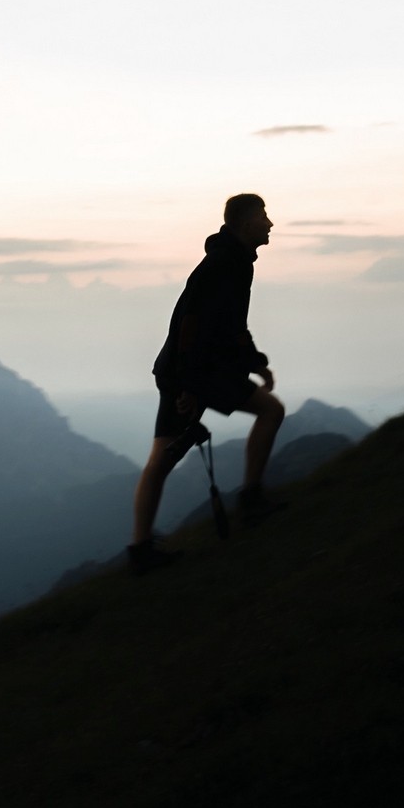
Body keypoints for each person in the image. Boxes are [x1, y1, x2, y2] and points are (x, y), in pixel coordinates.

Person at [128, 193, 288, 574]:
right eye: (263, 216)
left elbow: (232, 326)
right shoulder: (222, 265)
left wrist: (255, 364)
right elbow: (189, 326)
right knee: (270, 411)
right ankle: (250, 502)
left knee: (163, 457)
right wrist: (187, 387)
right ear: (246, 222)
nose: (270, 224)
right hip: (196, 373)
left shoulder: (234, 262)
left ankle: (139, 550)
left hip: (196, 371)